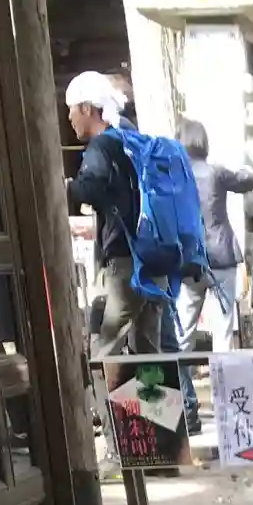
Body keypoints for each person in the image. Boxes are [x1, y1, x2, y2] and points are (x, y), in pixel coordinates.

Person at [64, 71, 159, 357]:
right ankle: (159, 389)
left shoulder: (101, 146)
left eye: (71, 110)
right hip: (156, 259)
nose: (69, 118)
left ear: (87, 108)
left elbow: (89, 188)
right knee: (149, 351)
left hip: (126, 263)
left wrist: (65, 187)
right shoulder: (132, 138)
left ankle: (97, 389)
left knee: (104, 346)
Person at [176, 117, 253, 350]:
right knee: (223, 331)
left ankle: (182, 374)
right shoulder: (216, 172)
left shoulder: (175, 176)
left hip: (190, 258)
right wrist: (247, 168)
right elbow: (247, 181)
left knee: (183, 330)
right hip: (221, 255)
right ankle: (223, 374)